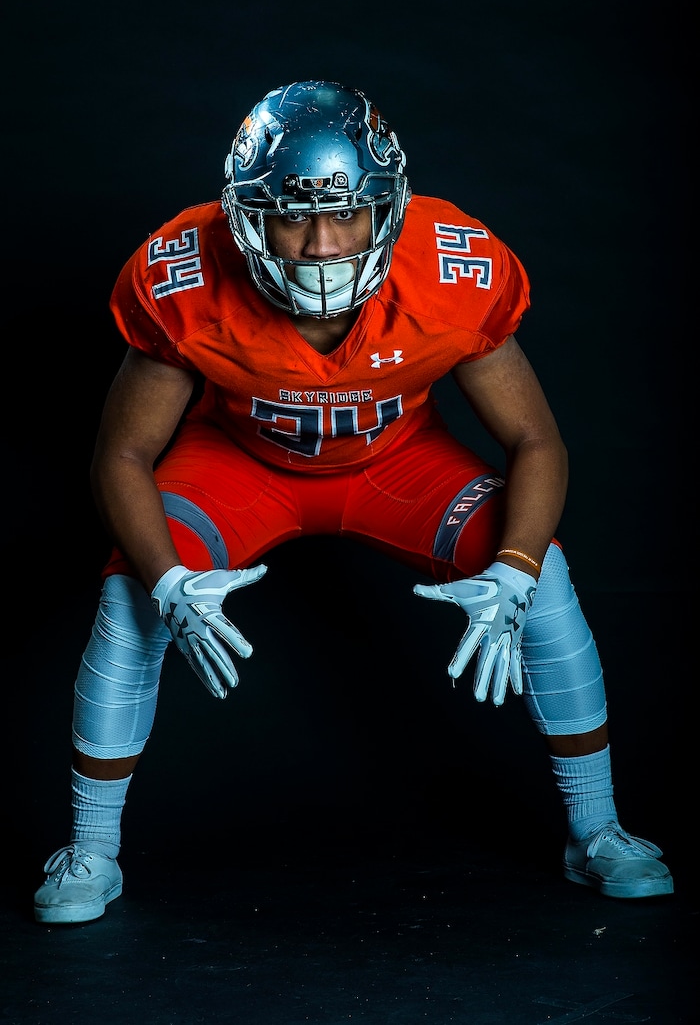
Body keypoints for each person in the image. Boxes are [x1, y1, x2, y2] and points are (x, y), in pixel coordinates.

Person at [33, 79, 673, 925]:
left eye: (346, 216)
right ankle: (91, 850)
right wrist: (165, 581)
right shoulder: (184, 270)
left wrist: (512, 570)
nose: (321, 245)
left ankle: (597, 830)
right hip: (240, 468)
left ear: (391, 209)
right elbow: (121, 452)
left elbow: (535, 442)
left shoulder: (451, 265)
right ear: (243, 215)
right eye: (291, 217)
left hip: (397, 466)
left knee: (543, 576)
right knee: (132, 597)